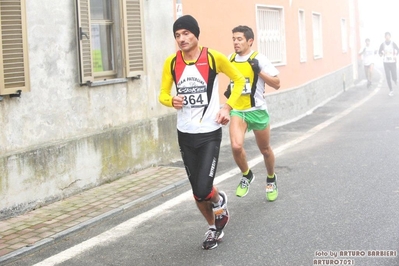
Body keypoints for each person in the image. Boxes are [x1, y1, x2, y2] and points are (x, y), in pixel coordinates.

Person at [159, 15, 246, 250]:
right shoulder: (171, 62)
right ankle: (213, 228)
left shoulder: (213, 57)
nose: (182, 38)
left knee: (203, 189)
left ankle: (220, 201)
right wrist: (171, 100)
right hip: (184, 133)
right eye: (177, 35)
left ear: (196, 34)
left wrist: (227, 106)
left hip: (209, 132)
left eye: (186, 33)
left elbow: (239, 80)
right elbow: (162, 94)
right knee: (197, 194)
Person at [225, 25, 280, 201]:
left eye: (239, 39)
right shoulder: (230, 59)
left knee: (264, 150)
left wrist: (259, 71)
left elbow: (277, 83)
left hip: (257, 111)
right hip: (238, 111)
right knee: (236, 146)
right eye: (233, 38)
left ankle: (271, 179)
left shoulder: (259, 59)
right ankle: (246, 175)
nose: (235, 42)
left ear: (250, 41)